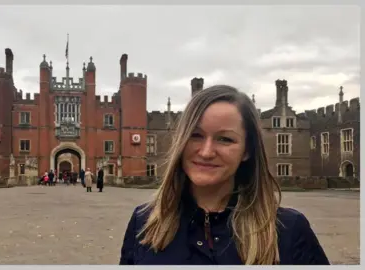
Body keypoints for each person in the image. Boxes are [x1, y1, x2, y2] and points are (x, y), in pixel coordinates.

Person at [119, 85, 330, 265]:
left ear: (247, 150)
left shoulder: (288, 230)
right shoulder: (143, 222)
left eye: (225, 139)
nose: (206, 152)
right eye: (196, 135)